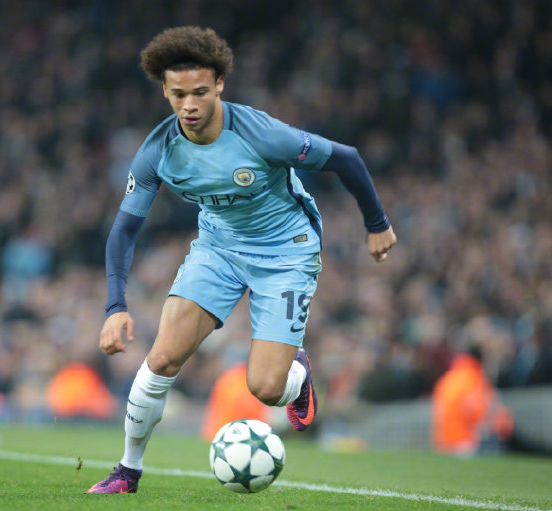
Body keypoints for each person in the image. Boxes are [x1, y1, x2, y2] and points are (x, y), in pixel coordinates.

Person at [88, 26, 396, 494]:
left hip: (285, 252)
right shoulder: (157, 150)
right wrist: (115, 307)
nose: (189, 105)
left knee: (267, 388)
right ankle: (127, 472)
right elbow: (124, 230)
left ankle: (297, 375)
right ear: (165, 91)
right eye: (178, 95)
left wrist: (377, 224)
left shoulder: (261, 135)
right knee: (162, 357)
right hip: (218, 249)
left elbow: (347, 158)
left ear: (219, 85)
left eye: (199, 92)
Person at [432, 345, 514, 456]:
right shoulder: (473, 379)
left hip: (442, 443)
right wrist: (505, 422)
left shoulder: (447, 379)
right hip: (464, 443)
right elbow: (482, 413)